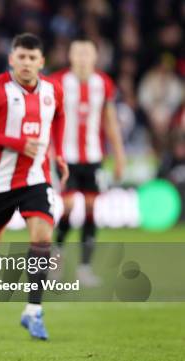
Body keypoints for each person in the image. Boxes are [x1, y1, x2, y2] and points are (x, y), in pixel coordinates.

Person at [0, 33, 68, 340]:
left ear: (41, 61)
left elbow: (58, 118)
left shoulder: (52, 90)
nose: (27, 63)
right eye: (21, 57)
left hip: (36, 178)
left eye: (33, 58)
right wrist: (18, 144)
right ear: (12, 59)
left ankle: (33, 312)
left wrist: (58, 155)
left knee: (42, 239)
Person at [51, 38, 126, 287]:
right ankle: (56, 258)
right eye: (78, 53)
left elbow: (110, 121)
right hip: (66, 158)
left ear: (95, 57)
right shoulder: (58, 82)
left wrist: (119, 155)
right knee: (69, 206)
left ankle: (84, 267)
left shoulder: (103, 83)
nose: (83, 58)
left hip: (94, 159)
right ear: (70, 57)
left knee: (92, 208)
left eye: (87, 54)